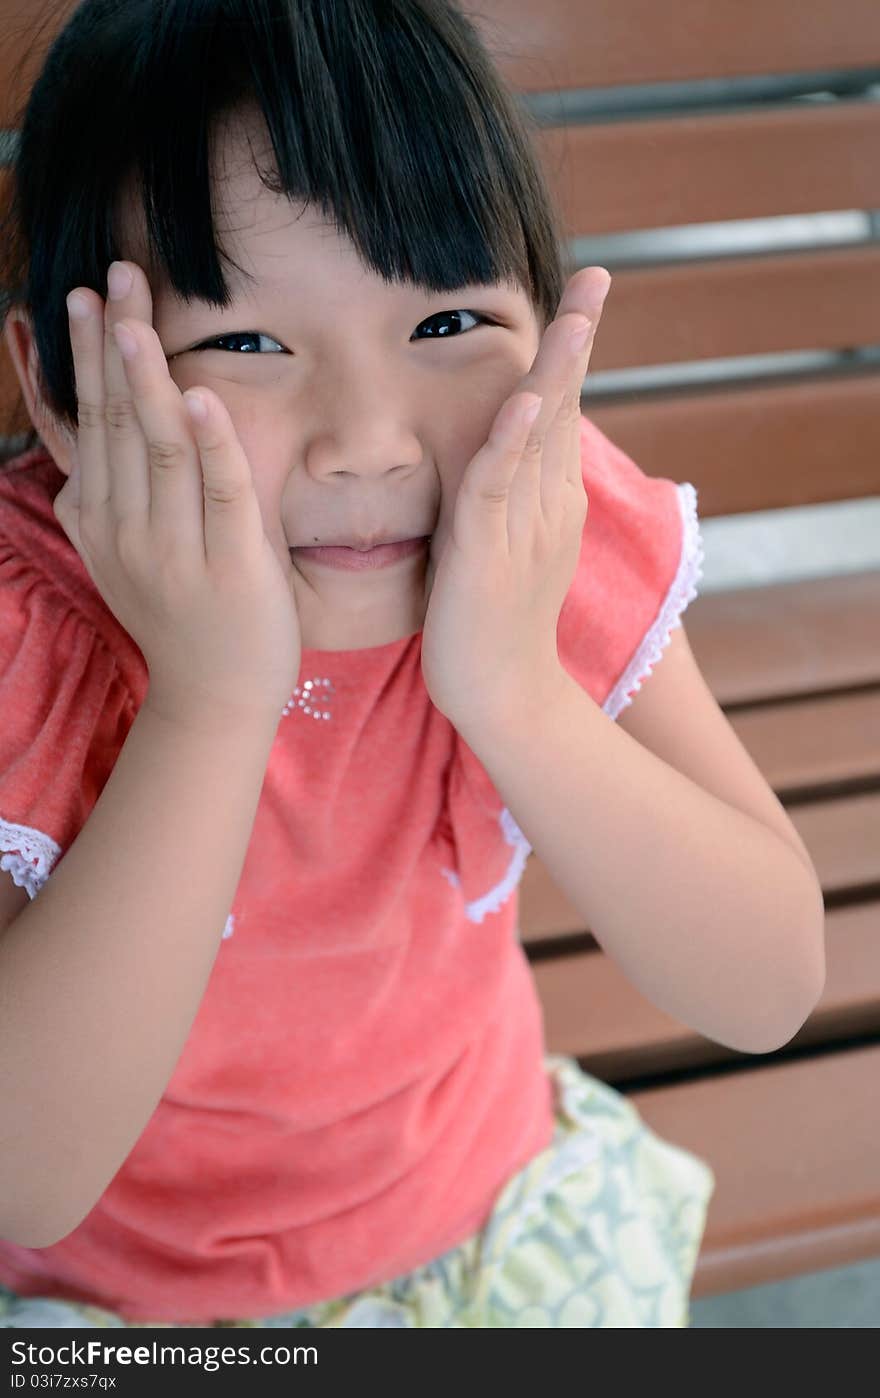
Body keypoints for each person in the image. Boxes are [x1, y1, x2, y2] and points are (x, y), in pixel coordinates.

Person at [0, 0, 825, 1329]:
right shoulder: (31, 632)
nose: (369, 442)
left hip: (479, 1217)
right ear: (57, 390)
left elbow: (769, 979)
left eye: (445, 324)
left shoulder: (526, 533)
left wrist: (512, 688)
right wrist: (210, 704)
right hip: (121, 1306)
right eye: (249, 344)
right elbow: (24, 1175)